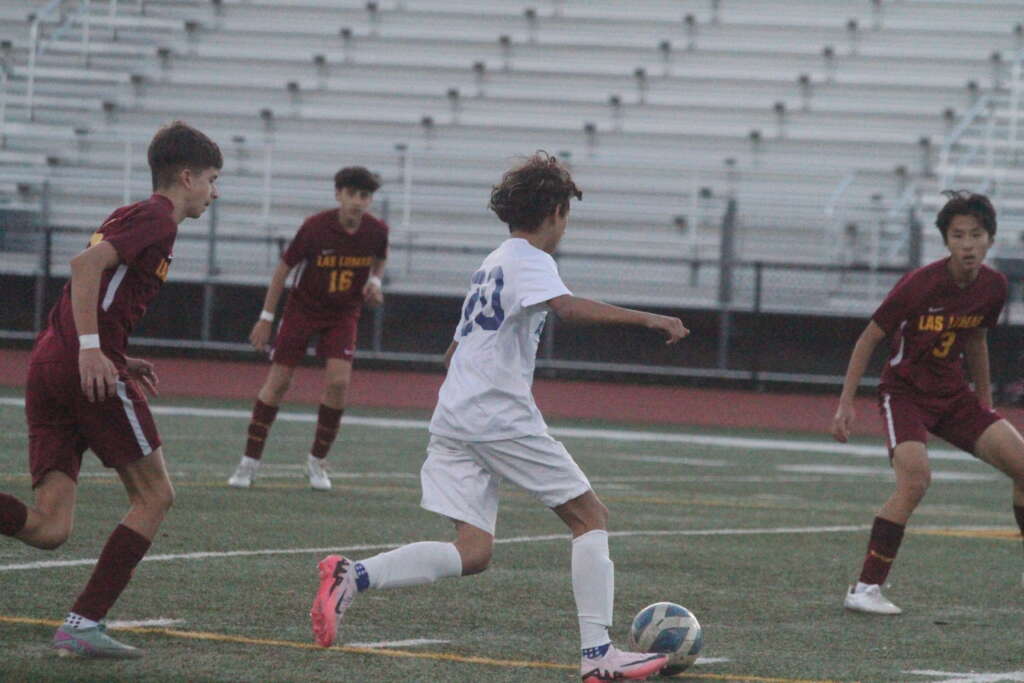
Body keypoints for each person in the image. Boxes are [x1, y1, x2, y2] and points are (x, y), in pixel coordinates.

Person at [309, 152, 687, 682]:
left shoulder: (493, 261)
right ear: (555, 212)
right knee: (589, 516)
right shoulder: (531, 259)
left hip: (456, 414)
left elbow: (455, 348)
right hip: (496, 415)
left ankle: (355, 576)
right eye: (566, 215)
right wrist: (651, 318)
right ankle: (598, 656)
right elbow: (568, 308)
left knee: (473, 551)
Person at [0, 121, 221, 656]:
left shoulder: (134, 214)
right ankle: (82, 624)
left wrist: (113, 351)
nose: (214, 193)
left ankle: (82, 624)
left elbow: (101, 287)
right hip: (80, 367)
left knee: (50, 526)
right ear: (186, 177)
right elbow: (85, 266)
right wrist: (93, 349)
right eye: (212, 180)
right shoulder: (155, 218)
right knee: (156, 495)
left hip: (52, 363)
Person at [831, 190, 1024, 615]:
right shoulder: (921, 283)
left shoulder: (994, 286)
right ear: (947, 241)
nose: (968, 244)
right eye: (958, 235)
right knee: (916, 480)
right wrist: (846, 402)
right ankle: (865, 588)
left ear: (990, 239)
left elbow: (975, 337)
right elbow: (869, 338)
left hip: (953, 396)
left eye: (976, 234)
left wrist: (985, 403)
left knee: (1022, 465)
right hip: (905, 395)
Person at [227, 167, 387, 491]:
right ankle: (249, 461)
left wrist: (374, 281)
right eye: (352, 194)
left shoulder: (377, 230)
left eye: (365, 195)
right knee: (279, 381)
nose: (358, 201)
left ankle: (316, 462)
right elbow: (282, 270)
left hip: (343, 312)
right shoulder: (315, 228)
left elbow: (379, 259)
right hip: (303, 310)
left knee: (339, 384)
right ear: (338, 194)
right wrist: (266, 317)